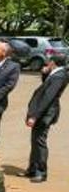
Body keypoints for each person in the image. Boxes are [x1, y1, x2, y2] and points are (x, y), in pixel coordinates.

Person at [25, 54, 68, 183]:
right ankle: (32, 169)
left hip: (46, 113)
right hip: (43, 112)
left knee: (40, 142)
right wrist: (45, 74)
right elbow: (46, 87)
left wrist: (35, 115)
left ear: (52, 62)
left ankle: (41, 172)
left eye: (49, 61)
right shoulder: (56, 73)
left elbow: (47, 97)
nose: (47, 63)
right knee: (35, 140)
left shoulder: (59, 76)